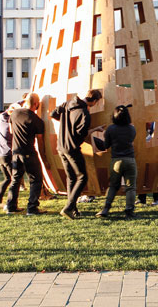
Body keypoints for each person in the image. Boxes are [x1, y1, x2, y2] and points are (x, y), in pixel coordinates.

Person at [50, 89, 103, 220]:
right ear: (95, 101)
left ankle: (72, 208)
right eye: (97, 102)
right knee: (82, 177)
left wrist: (65, 125)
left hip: (61, 146)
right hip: (72, 148)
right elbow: (81, 135)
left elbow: (53, 114)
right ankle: (68, 208)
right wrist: (96, 129)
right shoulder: (84, 113)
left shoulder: (68, 103)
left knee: (71, 178)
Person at [5, 93, 50, 216]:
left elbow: (11, 130)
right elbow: (40, 142)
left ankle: (11, 206)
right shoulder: (37, 120)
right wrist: (44, 158)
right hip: (28, 153)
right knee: (36, 179)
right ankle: (32, 207)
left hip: (15, 152)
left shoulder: (14, 114)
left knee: (15, 179)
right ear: (36, 104)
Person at [96, 105, 138, 219]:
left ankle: (105, 209)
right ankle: (129, 210)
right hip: (130, 160)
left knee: (113, 186)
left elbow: (106, 145)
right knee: (131, 187)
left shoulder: (110, 129)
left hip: (116, 161)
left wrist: (98, 138)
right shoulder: (132, 129)